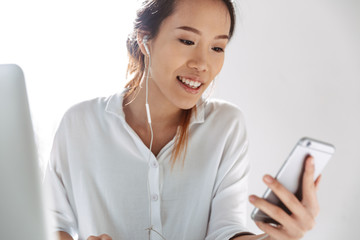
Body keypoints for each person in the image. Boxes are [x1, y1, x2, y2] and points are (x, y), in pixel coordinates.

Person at [44, 0, 321, 239]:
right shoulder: (79, 123)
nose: (202, 64)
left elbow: (225, 231)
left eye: (217, 48)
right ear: (145, 39)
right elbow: (50, 225)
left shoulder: (225, 126)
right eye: (187, 41)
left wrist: (281, 237)